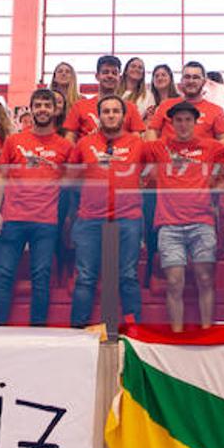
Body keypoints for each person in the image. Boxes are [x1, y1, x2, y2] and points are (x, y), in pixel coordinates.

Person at [0, 89, 73, 326]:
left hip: (46, 221)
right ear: (31, 109)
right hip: (12, 218)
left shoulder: (64, 146)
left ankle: (38, 331)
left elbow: (72, 181)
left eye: (47, 105)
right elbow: (1, 177)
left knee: (41, 276)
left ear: (55, 110)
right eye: (38, 105)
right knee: (4, 275)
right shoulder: (14, 141)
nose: (43, 109)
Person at [144, 101, 224, 331]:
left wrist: (218, 188)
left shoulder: (211, 147)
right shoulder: (157, 147)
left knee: (205, 279)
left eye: (187, 119)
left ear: (195, 122)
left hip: (202, 223)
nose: (183, 124)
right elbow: (131, 152)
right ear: (171, 123)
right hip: (169, 225)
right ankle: (177, 333)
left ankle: (208, 330)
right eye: (178, 120)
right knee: (174, 282)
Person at [69, 95, 149, 326]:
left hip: (128, 219)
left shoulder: (137, 144)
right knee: (85, 278)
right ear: (99, 116)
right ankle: (78, 333)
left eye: (116, 111)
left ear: (124, 116)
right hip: (90, 219)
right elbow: (72, 178)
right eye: (106, 111)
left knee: (128, 276)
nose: (111, 115)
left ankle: (134, 332)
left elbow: (151, 171)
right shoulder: (84, 144)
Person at [146, 62, 224, 144]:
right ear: (181, 81)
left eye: (196, 77)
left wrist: (208, 156)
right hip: (167, 157)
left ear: (204, 82)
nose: (191, 81)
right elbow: (152, 131)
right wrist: (156, 153)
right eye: (187, 77)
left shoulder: (217, 111)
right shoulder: (166, 105)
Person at [65, 56, 146, 141]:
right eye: (105, 72)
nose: (110, 76)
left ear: (120, 77)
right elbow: (70, 137)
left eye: (114, 73)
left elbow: (136, 138)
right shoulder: (80, 106)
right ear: (97, 76)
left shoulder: (131, 107)